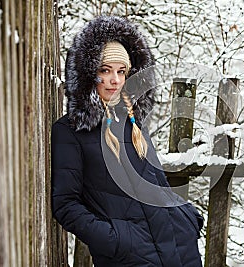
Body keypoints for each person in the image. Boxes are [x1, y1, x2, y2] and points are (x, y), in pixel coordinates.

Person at [51, 16, 203, 267]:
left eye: (122, 71)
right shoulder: (71, 131)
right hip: (131, 258)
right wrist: (117, 240)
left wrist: (186, 217)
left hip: (179, 248)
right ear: (89, 74)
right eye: (105, 70)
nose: (116, 80)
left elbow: (159, 184)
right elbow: (66, 205)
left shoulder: (133, 123)